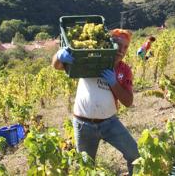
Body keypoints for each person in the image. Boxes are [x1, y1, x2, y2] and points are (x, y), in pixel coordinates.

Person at [52, 28, 139, 175]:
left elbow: (128, 102)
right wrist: (59, 56)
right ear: (108, 44)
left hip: (110, 123)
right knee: (86, 168)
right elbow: (57, 66)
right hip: (83, 124)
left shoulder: (124, 70)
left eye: (126, 47)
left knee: (135, 155)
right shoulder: (89, 58)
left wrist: (114, 83)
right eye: (118, 44)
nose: (121, 50)